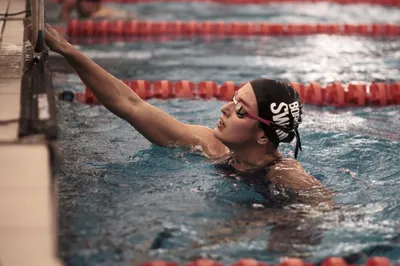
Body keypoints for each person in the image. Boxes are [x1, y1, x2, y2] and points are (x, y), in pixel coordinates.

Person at [31, 24, 331, 205]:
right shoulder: (212, 146)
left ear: (264, 135)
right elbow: (132, 106)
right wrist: (68, 51)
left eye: (240, 110)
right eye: (232, 99)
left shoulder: (288, 176)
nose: (225, 109)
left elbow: (323, 213)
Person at [59, 0, 134, 22]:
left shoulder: (103, 12)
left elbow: (128, 16)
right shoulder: (71, 3)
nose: (91, 4)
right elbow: (62, 21)